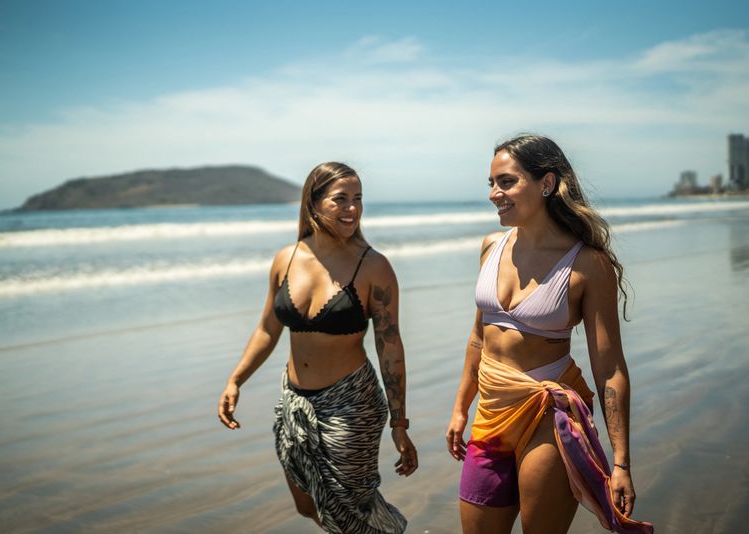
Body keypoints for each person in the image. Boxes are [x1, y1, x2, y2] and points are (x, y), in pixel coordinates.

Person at [446, 135, 653, 534]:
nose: (494, 194)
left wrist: (622, 461)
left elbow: (609, 369)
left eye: (506, 182)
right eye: (490, 183)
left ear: (546, 183)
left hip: (548, 412)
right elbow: (478, 337)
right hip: (490, 410)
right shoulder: (491, 246)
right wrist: (460, 407)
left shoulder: (588, 264)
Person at [218, 162, 417, 534]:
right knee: (307, 504)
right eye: (340, 200)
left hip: (350, 405)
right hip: (294, 402)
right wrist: (235, 380)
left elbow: (390, 347)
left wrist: (400, 423)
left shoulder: (373, 266)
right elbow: (267, 329)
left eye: (358, 199)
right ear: (313, 203)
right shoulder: (287, 258)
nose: (352, 209)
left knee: (352, 516)